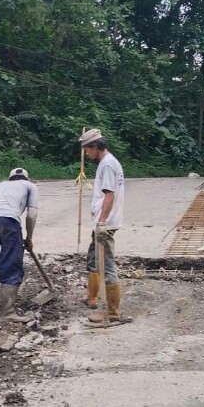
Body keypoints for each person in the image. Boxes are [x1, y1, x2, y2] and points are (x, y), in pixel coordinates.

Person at [79, 128, 127, 323]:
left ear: (95, 146)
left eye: (87, 150)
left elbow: (110, 195)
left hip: (105, 223)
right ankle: (93, 297)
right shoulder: (108, 163)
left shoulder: (107, 165)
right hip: (103, 221)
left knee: (106, 264)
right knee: (94, 257)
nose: (86, 154)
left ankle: (112, 311)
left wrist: (101, 222)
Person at [0, 167, 39, 323]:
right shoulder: (30, 186)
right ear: (26, 178)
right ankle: (8, 312)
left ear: (10, 177)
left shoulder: (0, 185)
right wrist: (29, 238)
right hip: (9, 220)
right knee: (11, 261)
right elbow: (32, 215)